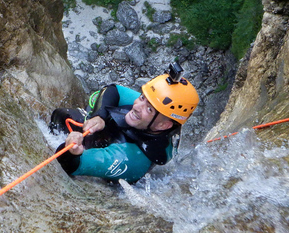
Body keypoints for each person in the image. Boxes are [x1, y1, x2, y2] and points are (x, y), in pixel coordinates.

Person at [49, 63, 199, 184]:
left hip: (119, 153)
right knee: (66, 115)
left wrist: (72, 151)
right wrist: (99, 116)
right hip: (119, 135)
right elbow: (114, 90)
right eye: (142, 97)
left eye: (148, 109)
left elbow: (70, 165)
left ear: (163, 126)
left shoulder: (130, 158)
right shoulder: (160, 115)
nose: (136, 105)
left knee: (64, 117)